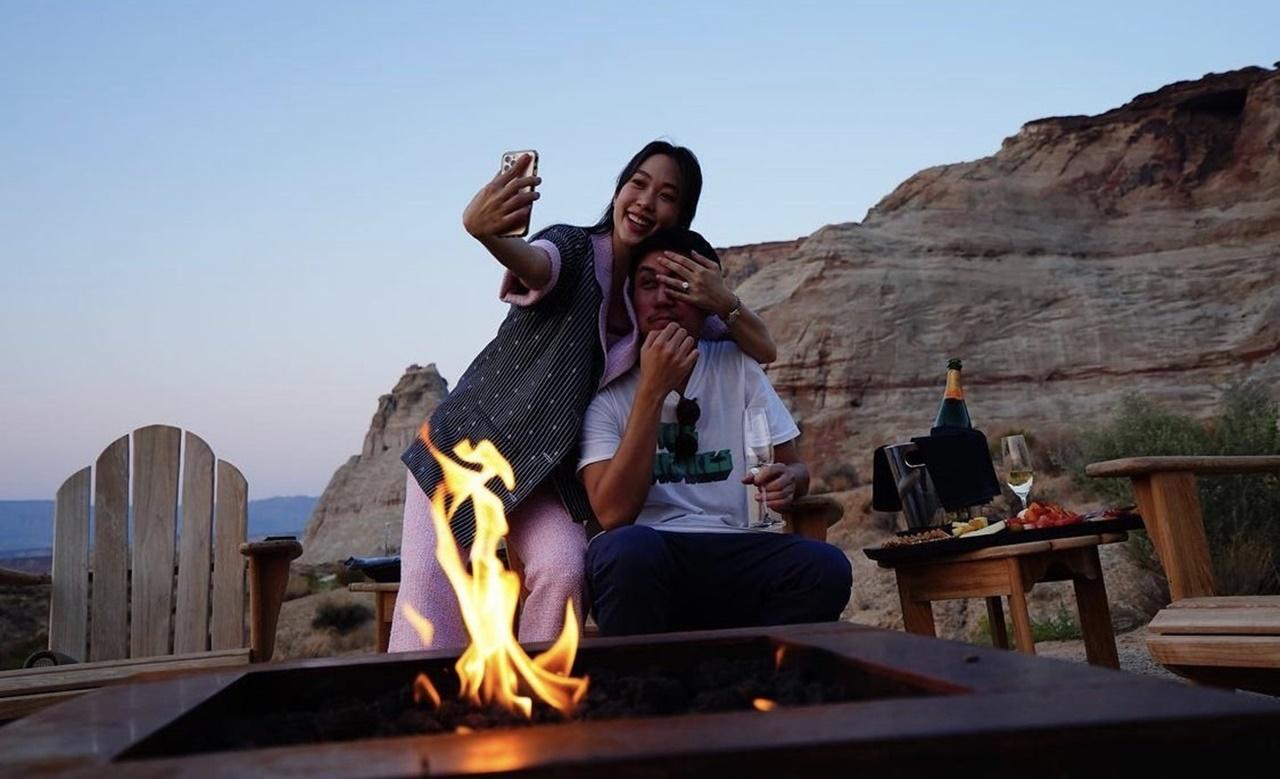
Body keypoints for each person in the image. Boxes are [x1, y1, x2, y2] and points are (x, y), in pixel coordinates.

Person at [390, 142, 778, 651]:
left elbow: (763, 347)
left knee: (565, 569)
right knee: (429, 591)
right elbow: (536, 263)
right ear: (619, 190)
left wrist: (722, 298)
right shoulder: (574, 249)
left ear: (680, 216)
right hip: (464, 449)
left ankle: (542, 691)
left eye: (666, 196)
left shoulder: (657, 295)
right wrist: (487, 234)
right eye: (637, 183)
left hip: (545, 478)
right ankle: (414, 696)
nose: (645, 202)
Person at [578, 227, 852, 635]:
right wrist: (651, 391)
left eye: (679, 283)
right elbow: (613, 514)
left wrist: (788, 481)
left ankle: (752, 670)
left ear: (706, 300)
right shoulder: (607, 389)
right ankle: (647, 674)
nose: (663, 297)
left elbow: (796, 470)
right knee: (628, 551)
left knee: (825, 567)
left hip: (736, 547)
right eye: (649, 284)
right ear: (630, 300)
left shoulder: (737, 367)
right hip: (651, 551)